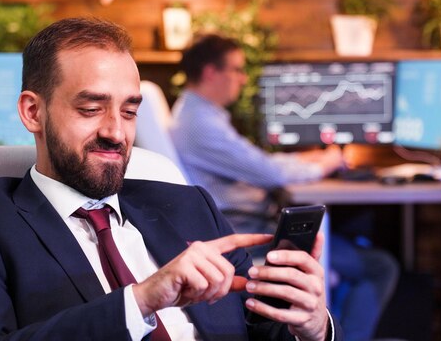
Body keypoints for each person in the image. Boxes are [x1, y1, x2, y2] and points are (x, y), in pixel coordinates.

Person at [0, 18, 341, 341]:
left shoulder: (190, 206)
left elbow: (262, 331)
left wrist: (311, 325)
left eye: (129, 111)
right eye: (91, 109)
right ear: (33, 112)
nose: (116, 132)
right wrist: (140, 302)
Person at [169, 34, 398, 341]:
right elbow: (271, 173)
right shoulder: (200, 124)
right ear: (211, 72)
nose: (242, 78)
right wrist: (326, 162)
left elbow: (257, 163)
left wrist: (311, 157)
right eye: (236, 69)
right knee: (379, 265)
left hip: (245, 226)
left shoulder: (197, 114)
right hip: (248, 235)